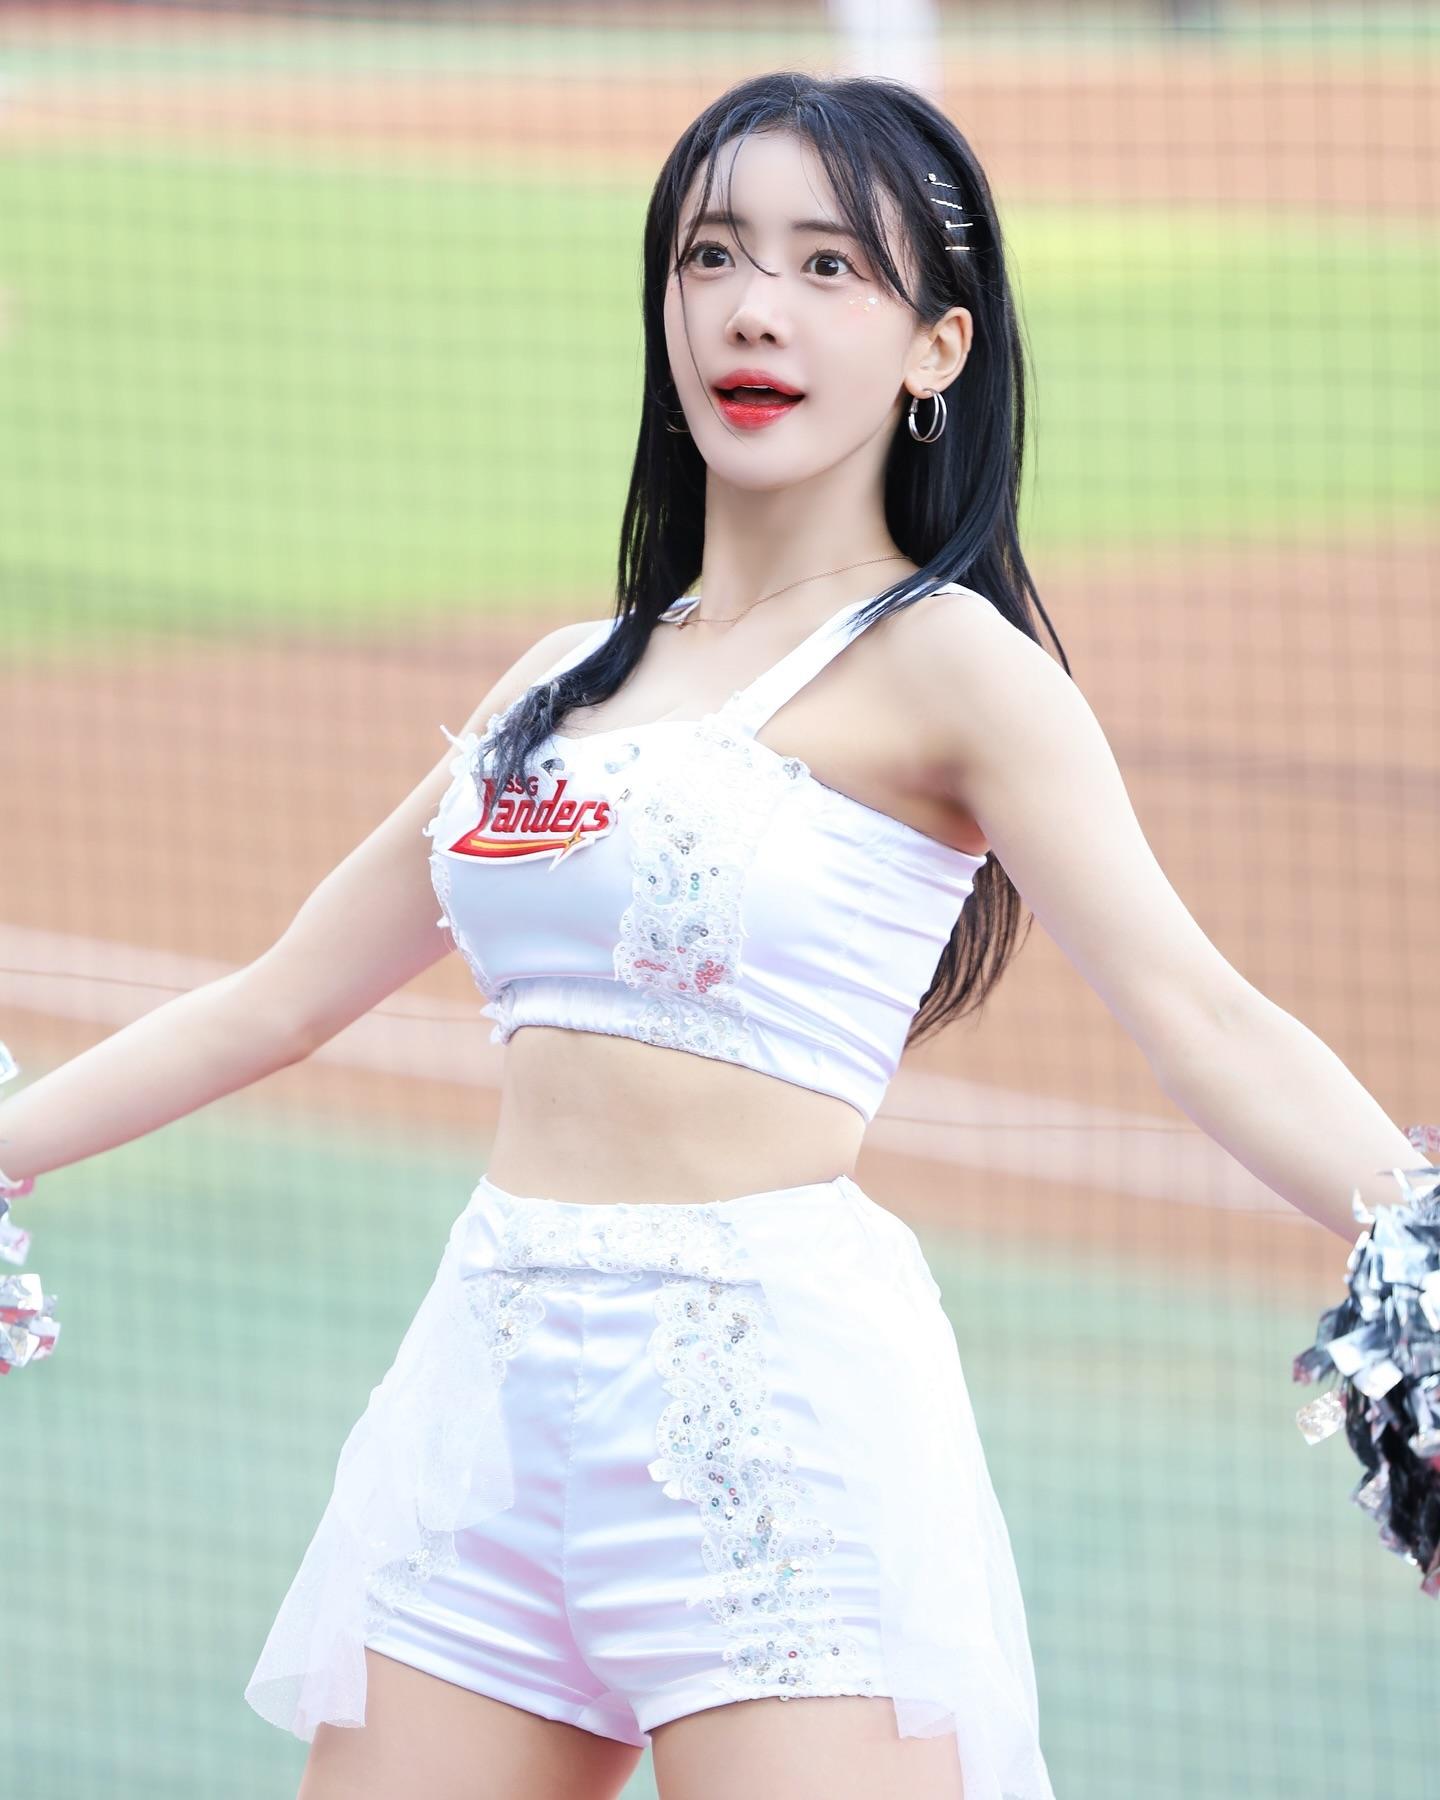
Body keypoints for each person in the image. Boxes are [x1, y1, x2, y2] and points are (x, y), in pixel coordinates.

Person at [0, 70, 1421, 1800]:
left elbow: (1205, 1013)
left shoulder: (955, 669)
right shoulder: (555, 682)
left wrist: (1421, 1251)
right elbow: (276, 1000)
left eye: (830, 268)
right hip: (486, 1414)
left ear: (937, 349)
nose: (756, 308)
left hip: (773, 1442)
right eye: (713, 255)